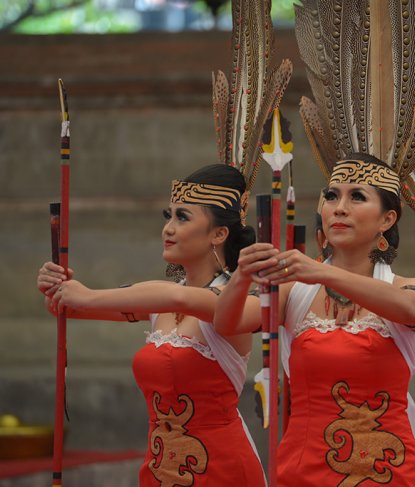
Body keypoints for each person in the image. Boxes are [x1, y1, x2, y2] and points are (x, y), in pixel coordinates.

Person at [37, 164, 266, 487]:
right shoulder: (159, 304)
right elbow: (69, 310)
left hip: (222, 470)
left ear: (219, 233)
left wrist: (87, 296)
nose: (168, 229)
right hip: (161, 468)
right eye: (167, 217)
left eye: (182, 218)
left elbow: (177, 298)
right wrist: (57, 289)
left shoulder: (238, 301)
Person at [214, 155, 415, 486]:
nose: (339, 208)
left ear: (387, 219)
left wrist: (322, 271)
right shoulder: (294, 290)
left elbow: (414, 311)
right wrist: (242, 274)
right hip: (304, 470)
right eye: (331, 196)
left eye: (356, 197)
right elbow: (228, 323)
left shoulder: (405, 287)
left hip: (388, 472)